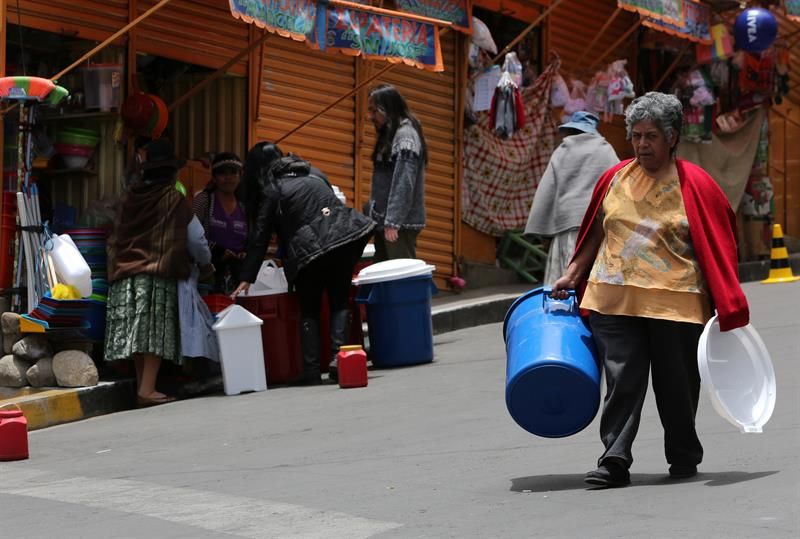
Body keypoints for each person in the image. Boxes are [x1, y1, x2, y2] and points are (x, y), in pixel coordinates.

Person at [551, 92, 750, 488]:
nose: (642, 145)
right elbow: (595, 230)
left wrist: (723, 298)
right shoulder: (615, 178)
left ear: (672, 137)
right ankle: (614, 459)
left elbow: (720, 238)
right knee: (622, 379)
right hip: (613, 296)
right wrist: (573, 274)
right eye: (636, 136)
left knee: (677, 384)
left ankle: (683, 452)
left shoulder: (696, 183)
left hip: (676, 302)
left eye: (651, 136)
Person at [231, 143, 375, 385]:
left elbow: (260, 237)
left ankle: (310, 370)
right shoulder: (314, 173)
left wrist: (247, 277)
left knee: (310, 309)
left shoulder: (272, 189)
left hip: (310, 252)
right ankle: (341, 358)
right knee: (339, 301)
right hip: (343, 240)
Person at [105, 139, 193, 406]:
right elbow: (192, 238)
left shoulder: (128, 198)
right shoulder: (172, 198)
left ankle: (143, 384)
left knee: (135, 332)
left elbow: (115, 233)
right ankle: (146, 390)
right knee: (152, 333)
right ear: (171, 172)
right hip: (154, 271)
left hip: (124, 270)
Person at [525, 111, 619, 286]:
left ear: (571, 130)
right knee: (592, 285)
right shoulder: (606, 150)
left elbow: (547, 192)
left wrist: (543, 233)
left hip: (565, 228)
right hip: (596, 230)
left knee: (562, 284)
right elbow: (618, 186)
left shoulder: (562, 150)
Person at [366, 84, 427, 261]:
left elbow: (403, 182)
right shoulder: (392, 134)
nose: (370, 117)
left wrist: (393, 221)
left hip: (399, 226)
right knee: (385, 276)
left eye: (374, 111)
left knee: (399, 277)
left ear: (388, 109)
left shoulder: (405, 136)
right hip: (387, 222)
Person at [192, 152, 247, 295]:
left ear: (240, 176)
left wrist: (243, 253)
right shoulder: (204, 200)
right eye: (222, 173)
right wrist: (218, 252)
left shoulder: (244, 206)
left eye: (233, 173)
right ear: (214, 177)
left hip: (237, 281)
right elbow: (191, 235)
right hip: (207, 278)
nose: (228, 178)